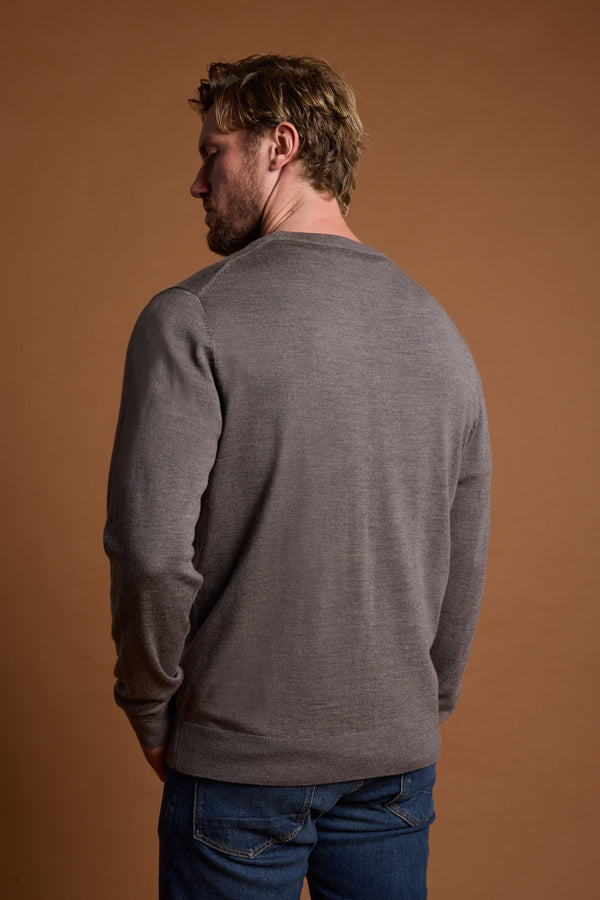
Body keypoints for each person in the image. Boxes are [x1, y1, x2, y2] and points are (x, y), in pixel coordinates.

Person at [104, 54, 491, 900]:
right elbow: (464, 559)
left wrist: (151, 707)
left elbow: (148, 551)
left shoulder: (193, 318)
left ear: (280, 145)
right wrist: (417, 711)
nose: (199, 182)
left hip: (239, 761)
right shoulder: (439, 332)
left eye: (215, 152)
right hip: (394, 767)